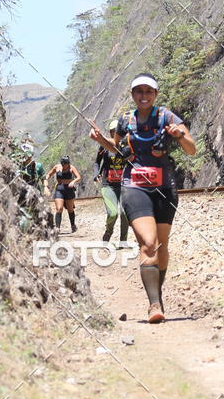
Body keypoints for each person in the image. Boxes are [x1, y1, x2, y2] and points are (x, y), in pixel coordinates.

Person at [88, 73, 195, 324]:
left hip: (164, 186)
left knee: (162, 246)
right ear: (133, 94)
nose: (144, 95)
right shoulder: (125, 121)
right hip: (134, 186)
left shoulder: (168, 118)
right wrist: (102, 140)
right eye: (139, 91)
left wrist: (179, 135)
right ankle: (154, 304)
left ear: (155, 94)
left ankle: (157, 293)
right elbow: (117, 151)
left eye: (149, 91)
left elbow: (191, 149)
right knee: (149, 243)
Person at [94, 120, 130, 245]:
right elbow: (97, 162)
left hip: (124, 186)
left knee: (125, 213)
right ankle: (108, 232)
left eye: (119, 132)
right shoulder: (104, 146)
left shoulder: (126, 147)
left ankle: (123, 241)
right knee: (113, 213)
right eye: (114, 132)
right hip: (108, 185)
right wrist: (96, 173)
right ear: (110, 133)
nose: (117, 134)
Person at [44, 156, 81, 234]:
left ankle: (73, 225)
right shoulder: (57, 167)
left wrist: (73, 182)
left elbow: (78, 177)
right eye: (64, 164)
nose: (65, 166)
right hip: (59, 189)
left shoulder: (72, 168)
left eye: (67, 164)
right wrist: (46, 180)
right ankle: (57, 227)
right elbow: (49, 174)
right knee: (59, 208)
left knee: (70, 209)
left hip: (69, 189)